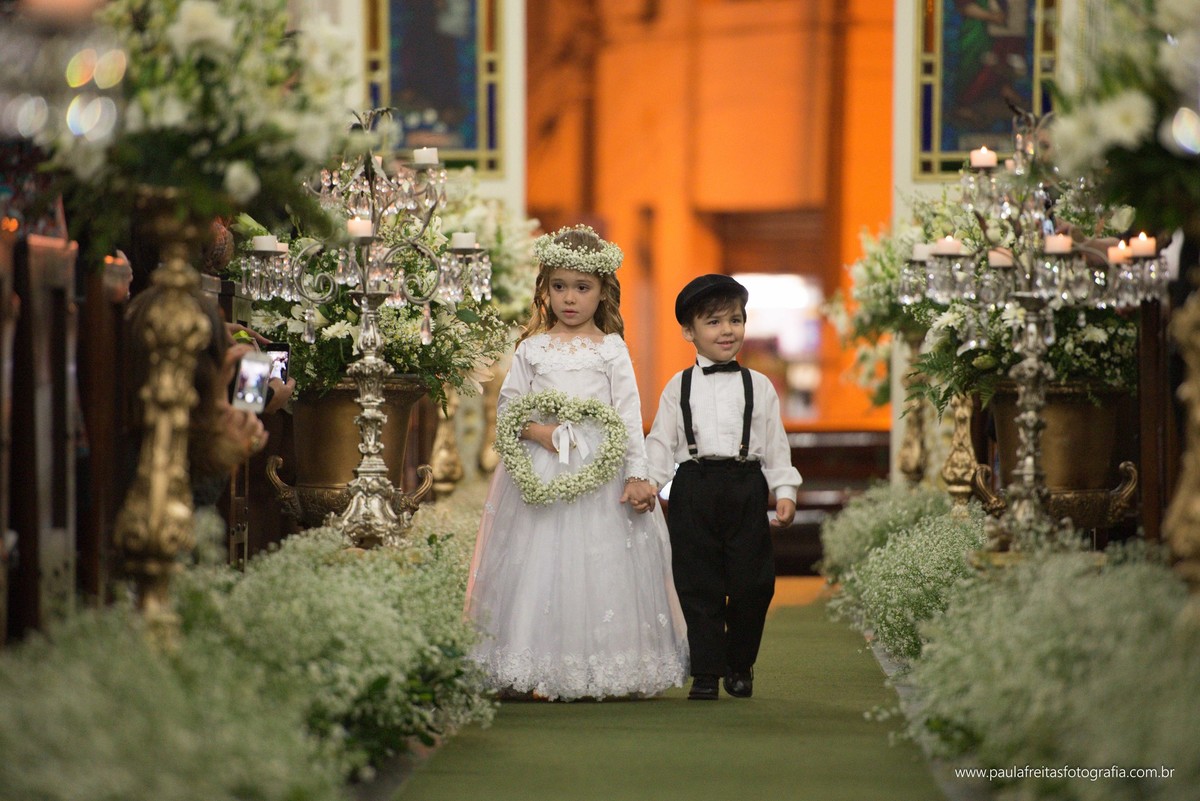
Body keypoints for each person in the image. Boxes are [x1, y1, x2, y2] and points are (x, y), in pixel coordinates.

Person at [465, 224, 688, 701]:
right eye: (559, 286)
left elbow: (629, 416)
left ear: (603, 290)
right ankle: (533, 665)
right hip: (541, 466)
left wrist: (636, 475)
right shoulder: (532, 348)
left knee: (599, 564)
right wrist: (539, 432)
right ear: (544, 289)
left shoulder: (611, 348)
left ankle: (603, 666)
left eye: (582, 288)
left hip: (601, 471)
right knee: (539, 561)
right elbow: (508, 411)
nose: (570, 298)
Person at [645, 274, 800, 701]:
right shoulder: (678, 387)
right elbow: (660, 442)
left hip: (746, 486)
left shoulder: (760, 386)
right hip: (693, 487)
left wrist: (784, 491)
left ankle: (740, 662)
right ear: (688, 332)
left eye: (735, 320)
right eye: (713, 322)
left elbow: (776, 444)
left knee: (754, 585)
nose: (727, 330)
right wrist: (648, 483)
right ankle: (707, 673)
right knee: (698, 585)